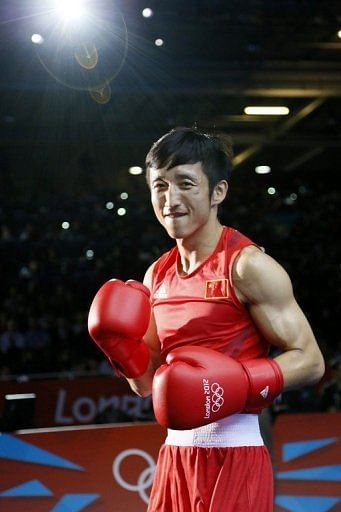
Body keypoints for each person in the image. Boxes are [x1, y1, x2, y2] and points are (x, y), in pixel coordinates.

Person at [88, 127, 325, 511]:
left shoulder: (247, 266)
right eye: (160, 185)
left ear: (218, 192)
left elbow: (311, 361)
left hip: (236, 452)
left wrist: (241, 381)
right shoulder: (156, 276)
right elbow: (145, 384)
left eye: (185, 184)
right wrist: (119, 348)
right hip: (175, 458)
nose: (170, 199)